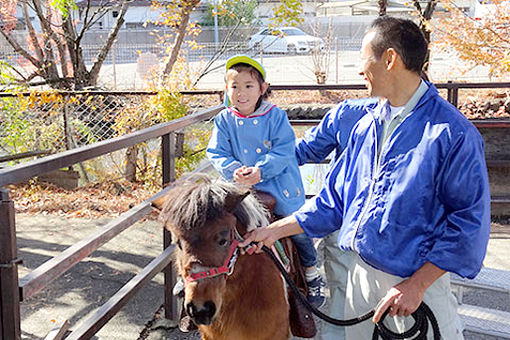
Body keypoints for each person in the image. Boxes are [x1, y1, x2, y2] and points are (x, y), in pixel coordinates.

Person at [241, 16, 490, 339]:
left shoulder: (452, 134)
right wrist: (272, 232)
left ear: (389, 59)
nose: (359, 69)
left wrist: (416, 285)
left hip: (416, 288)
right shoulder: (365, 126)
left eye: (363, 58)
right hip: (358, 276)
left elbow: (469, 224)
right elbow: (334, 203)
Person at [206, 55, 326, 307]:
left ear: (262, 88)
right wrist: (234, 170)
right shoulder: (224, 119)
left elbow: (284, 150)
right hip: (237, 185)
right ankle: (198, 270)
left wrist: (261, 170)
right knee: (209, 220)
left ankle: (312, 272)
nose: (241, 93)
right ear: (226, 90)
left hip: (276, 183)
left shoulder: (275, 116)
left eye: (248, 86)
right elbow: (216, 152)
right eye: (234, 86)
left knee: (295, 225)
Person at [295, 99, 374, 340]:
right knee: (343, 294)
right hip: (344, 221)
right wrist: (263, 161)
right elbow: (303, 150)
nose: (361, 72)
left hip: (390, 231)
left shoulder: (433, 122)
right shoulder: (347, 113)